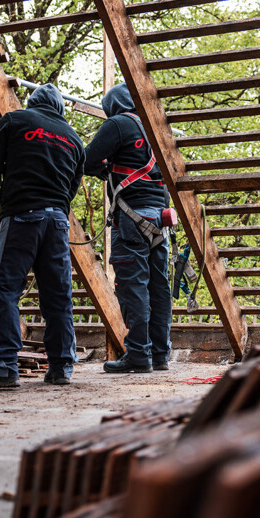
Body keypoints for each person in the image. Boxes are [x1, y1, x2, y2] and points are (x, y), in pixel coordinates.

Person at [0, 83, 84, 389]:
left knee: (5, 288)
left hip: (22, 216)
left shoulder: (15, 120)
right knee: (58, 296)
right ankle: (61, 368)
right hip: (57, 223)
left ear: (33, 103)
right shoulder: (73, 139)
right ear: (59, 108)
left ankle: (3, 368)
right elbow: (71, 187)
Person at [83, 83, 172, 373]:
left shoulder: (118, 124)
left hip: (132, 218)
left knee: (133, 288)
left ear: (112, 105)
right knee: (159, 288)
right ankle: (160, 355)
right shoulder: (156, 129)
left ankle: (138, 355)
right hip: (161, 219)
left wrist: (105, 168)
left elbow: (86, 160)